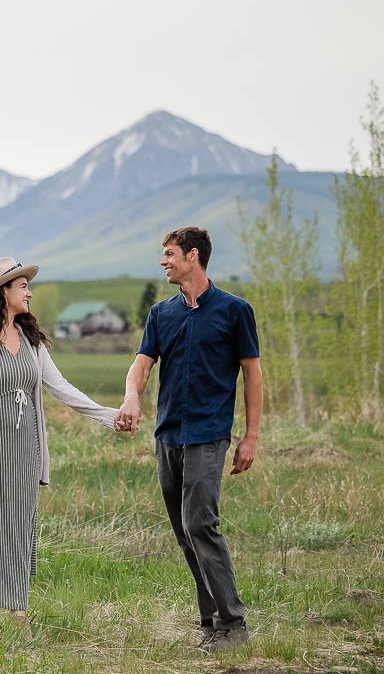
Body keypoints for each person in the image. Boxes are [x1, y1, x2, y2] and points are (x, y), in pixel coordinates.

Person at [0, 256, 120, 636]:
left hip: (25, 452)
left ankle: (17, 612)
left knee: (18, 529)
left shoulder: (31, 342)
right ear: (3, 292)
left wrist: (107, 415)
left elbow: (60, 387)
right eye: (22, 285)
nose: (29, 291)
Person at [115, 227, 262, 653]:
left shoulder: (235, 311)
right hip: (168, 436)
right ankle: (211, 622)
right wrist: (131, 398)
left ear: (192, 256)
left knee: (201, 524)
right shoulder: (162, 314)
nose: (163, 261)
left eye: (169, 254)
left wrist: (250, 437)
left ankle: (233, 624)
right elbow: (141, 366)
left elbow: (252, 375)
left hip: (208, 435)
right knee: (184, 531)